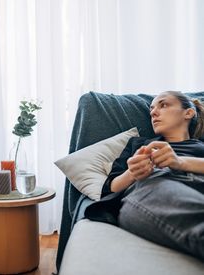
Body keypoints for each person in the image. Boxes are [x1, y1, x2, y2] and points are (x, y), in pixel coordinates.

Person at [85, 90, 204, 261]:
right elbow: (110, 188)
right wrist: (132, 173)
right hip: (155, 186)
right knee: (151, 185)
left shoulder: (201, 146)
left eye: (163, 105)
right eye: (151, 110)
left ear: (188, 113)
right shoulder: (140, 145)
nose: (154, 112)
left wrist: (180, 162)